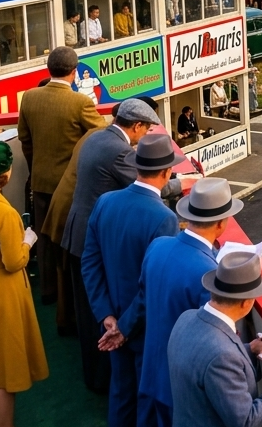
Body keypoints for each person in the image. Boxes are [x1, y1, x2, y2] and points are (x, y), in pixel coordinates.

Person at [59, 99, 166, 393]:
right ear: (136, 126)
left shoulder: (96, 138)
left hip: (77, 231)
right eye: (146, 130)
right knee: (100, 320)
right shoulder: (119, 150)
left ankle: (96, 378)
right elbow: (147, 182)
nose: (144, 138)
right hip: (92, 237)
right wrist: (182, 183)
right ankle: (102, 382)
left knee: (86, 312)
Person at [82, 133, 184, 427]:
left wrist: (107, 316)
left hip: (111, 322)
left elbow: (90, 263)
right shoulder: (164, 218)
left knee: (121, 396)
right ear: (166, 173)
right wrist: (124, 327)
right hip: (144, 331)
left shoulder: (105, 202)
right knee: (146, 405)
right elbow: (153, 284)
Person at [136, 179, 242, 427]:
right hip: (181, 391)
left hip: (150, 374)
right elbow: (217, 337)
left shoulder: (158, 246)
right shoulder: (209, 272)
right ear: (221, 223)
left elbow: (142, 298)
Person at [167, 252, 262, 427]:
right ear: (246, 302)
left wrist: (250, 348)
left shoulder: (186, 318)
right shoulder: (222, 356)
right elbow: (246, 420)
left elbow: (205, 362)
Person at [17, 47, 106, 312]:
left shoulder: (30, 98)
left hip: (40, 182)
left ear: (49, 69)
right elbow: (101, 135)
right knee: (70, 243)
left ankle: (47, 291)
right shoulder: (80, 103)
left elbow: (25, 139)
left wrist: (36, 169)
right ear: (74, 71)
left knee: (44, 238)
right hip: (70, 188)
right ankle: (70, 303)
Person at [0, 141, 48, 426]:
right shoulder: (5, 214)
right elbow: (13, 261)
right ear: (5, 174)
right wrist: (28, 243)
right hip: (5, 297)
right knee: (7, 376)